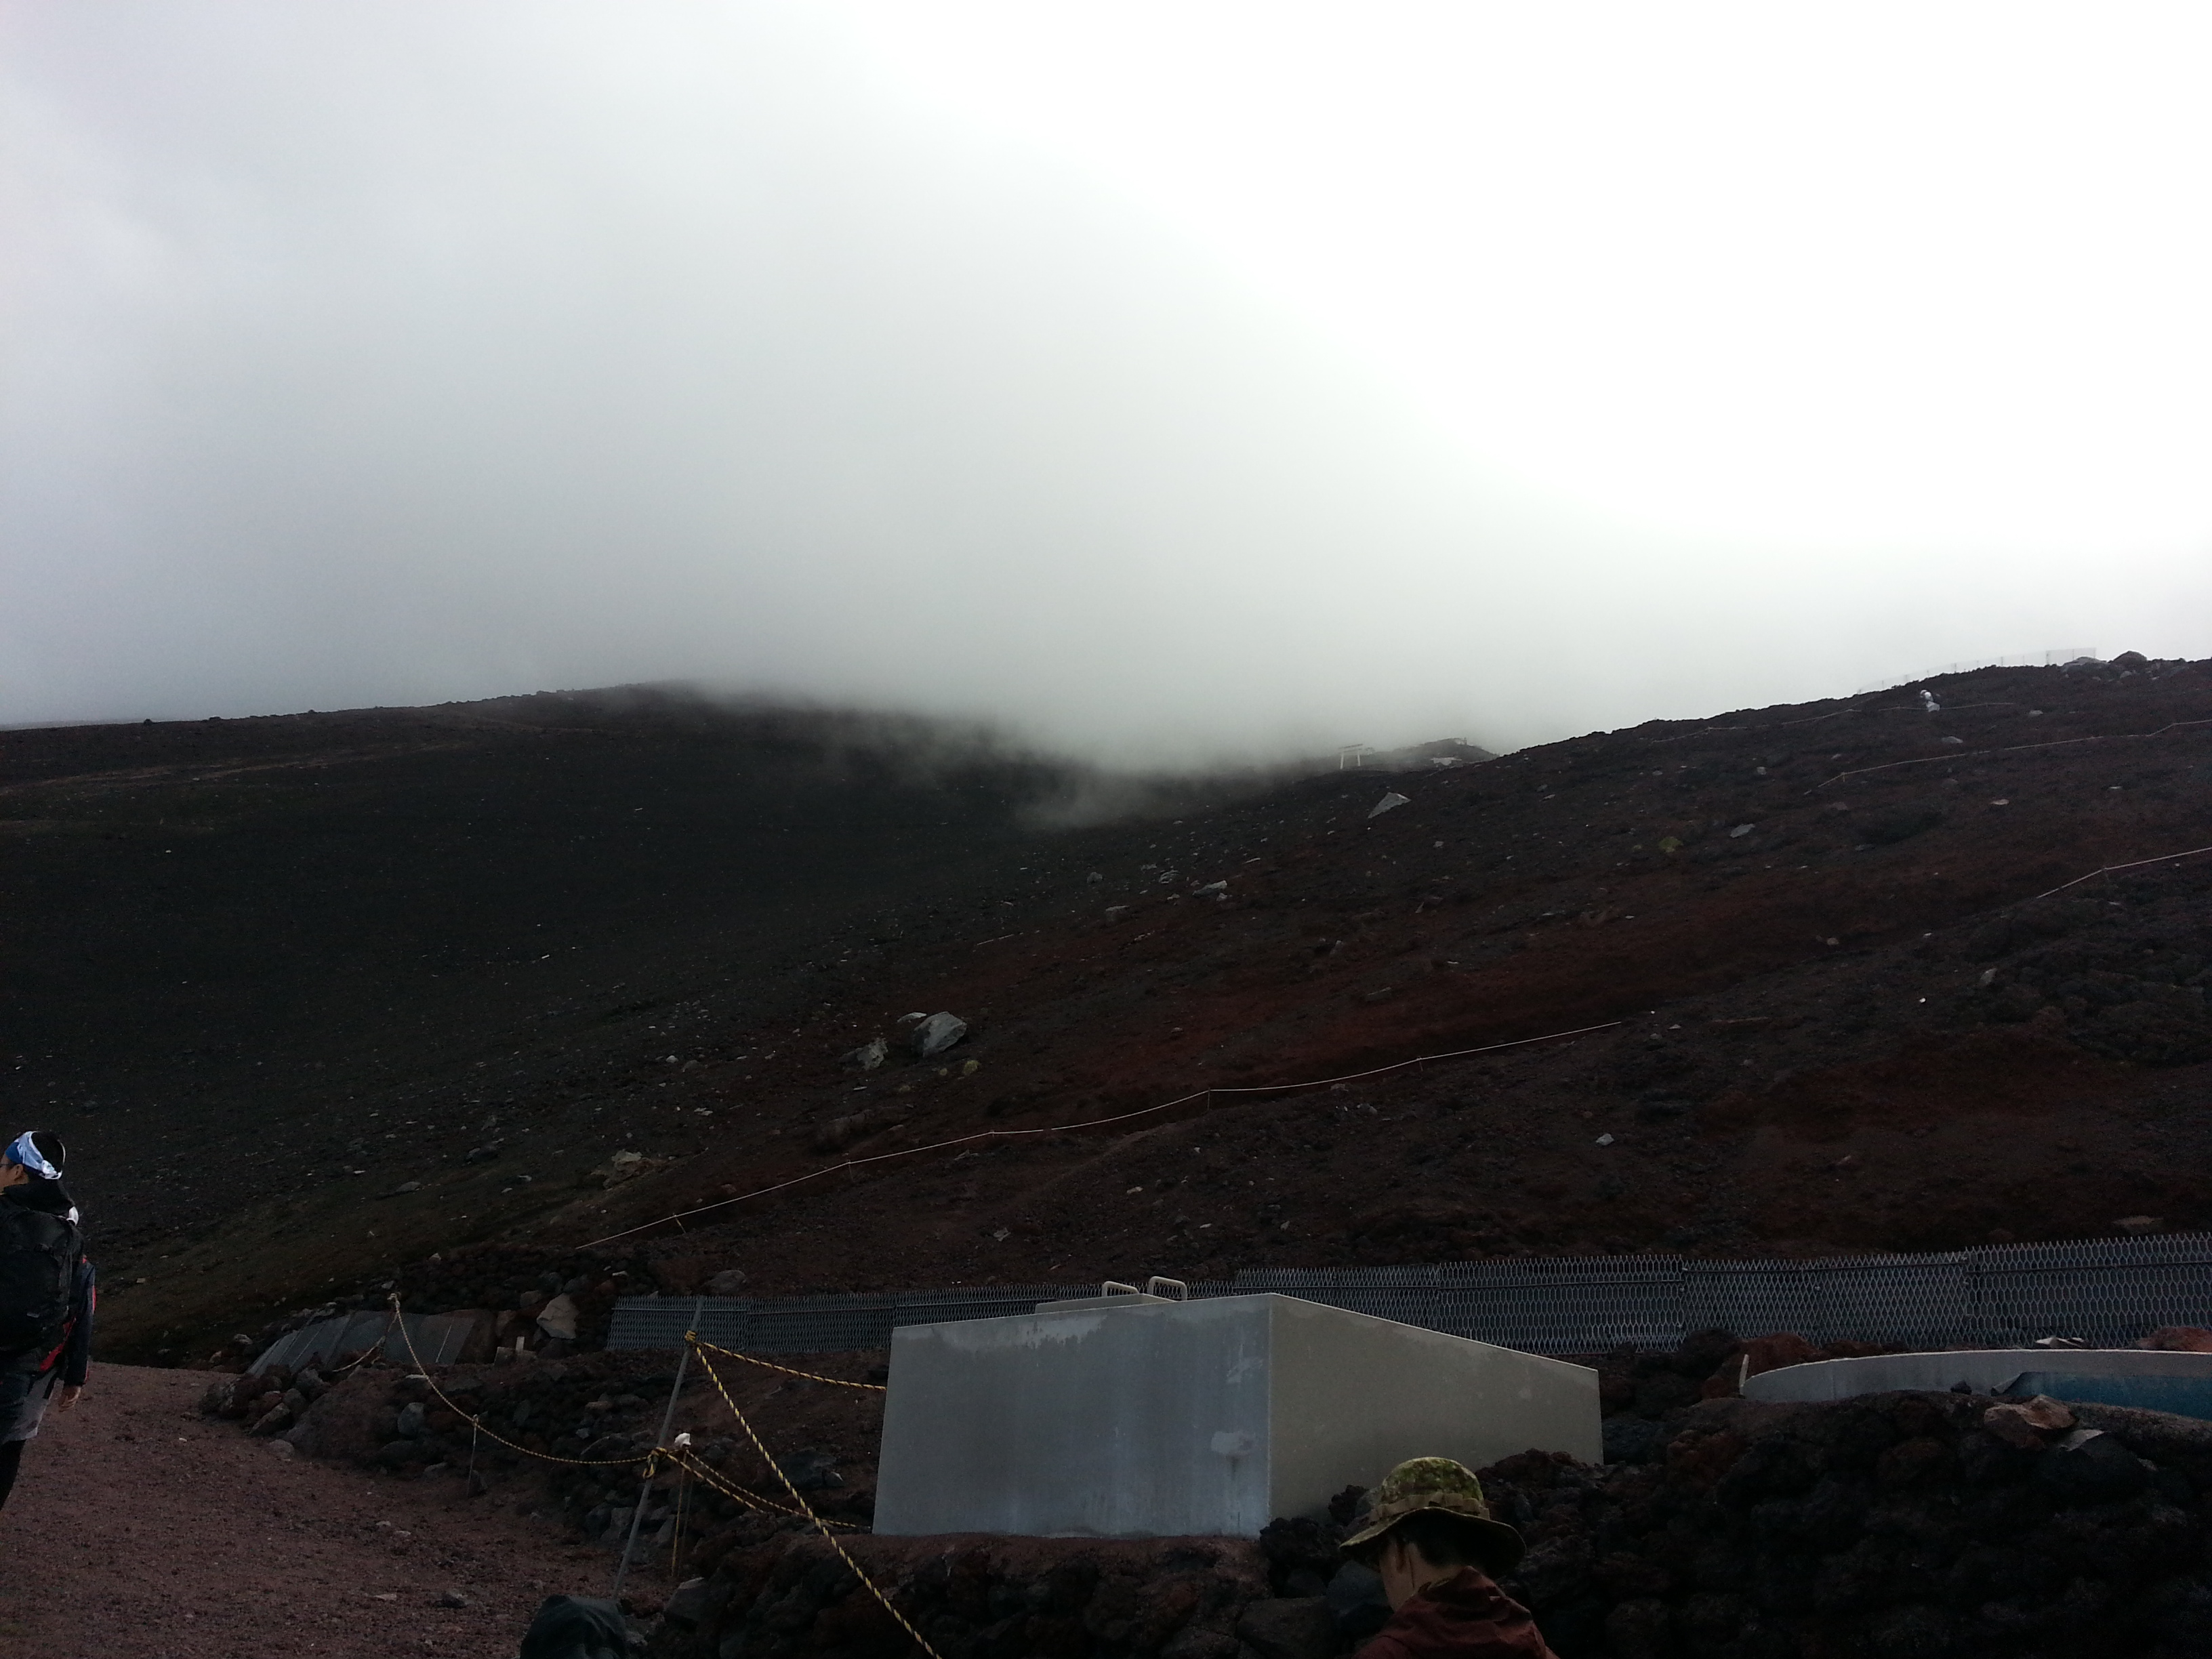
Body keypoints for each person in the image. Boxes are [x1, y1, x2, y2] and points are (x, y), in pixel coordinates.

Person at [1340, 1457, 1560, 1659]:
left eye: (1380, 1557)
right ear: (1487, 1552)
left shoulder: (1387, 1654)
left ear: (1398, 1551)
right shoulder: (1533, 1645)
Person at [0, 1129, 94, 1511]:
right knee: (8, 1448)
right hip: (31, 1368)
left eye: (3, 1165)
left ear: (19, 1172)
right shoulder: (68, 1230)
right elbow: (81, 1303)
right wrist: (75, 1375)